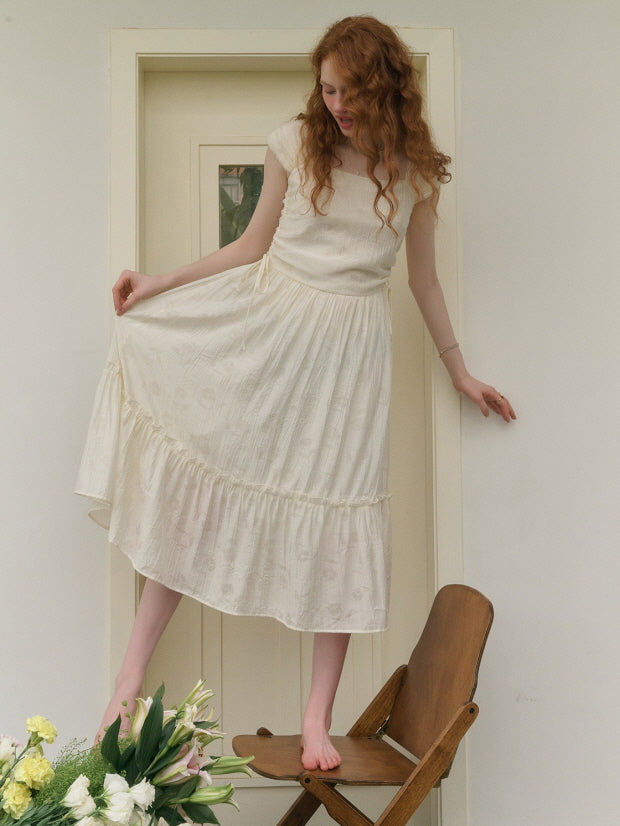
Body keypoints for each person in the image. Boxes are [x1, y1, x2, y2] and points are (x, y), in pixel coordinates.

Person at [76, 15, 516, 772]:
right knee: (201, 496)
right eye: (328, 87)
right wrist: (159, 282)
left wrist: (458, 370)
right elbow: (248, 247)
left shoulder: (412, 177)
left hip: (349, 363)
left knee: (338, 519)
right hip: (267, 334)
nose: (338, 102)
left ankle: (317, 721)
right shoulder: (292, 144)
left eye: (352, 89)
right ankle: (127, 681)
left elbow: (423, 282)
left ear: (387, 89)